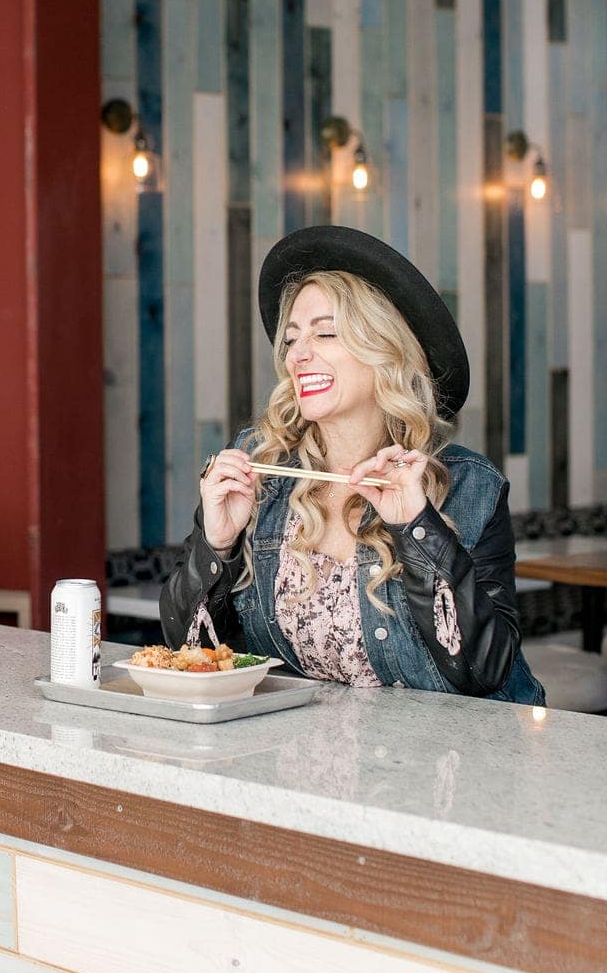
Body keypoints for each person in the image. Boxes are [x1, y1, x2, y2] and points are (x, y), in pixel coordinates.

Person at [160, 226, 545, 705]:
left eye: (325, 333)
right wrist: (216, 545)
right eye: (292, 339)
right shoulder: (263, 469)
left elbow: (485, 670)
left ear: (385, 351)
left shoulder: (468, 485)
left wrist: (417, 527)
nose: (299, 354)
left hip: (445, 766)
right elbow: (189, 649)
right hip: (294, 761)